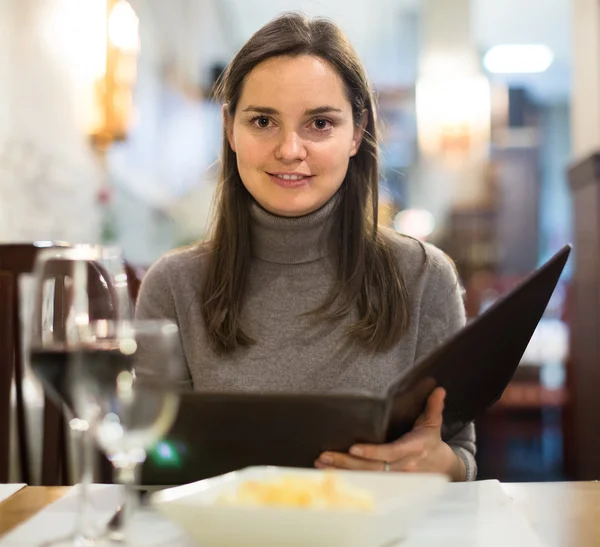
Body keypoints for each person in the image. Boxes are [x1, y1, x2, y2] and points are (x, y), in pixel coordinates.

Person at [136, 12, 476, 481]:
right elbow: (152, 462)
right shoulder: (173, 286)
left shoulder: (423, 276)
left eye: (319, 123)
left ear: (356, 133)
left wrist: (446, 465)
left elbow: (458, 451)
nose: (290, 149)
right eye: (262, 121)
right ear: (231, 129)